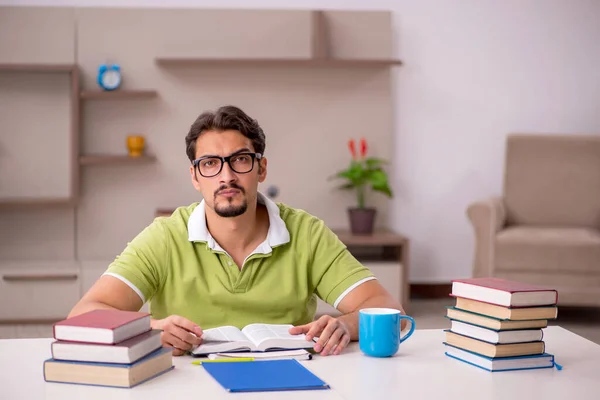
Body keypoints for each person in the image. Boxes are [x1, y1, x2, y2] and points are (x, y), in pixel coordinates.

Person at [69, 105, 406, 357]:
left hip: (292, 382)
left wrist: (344, 324)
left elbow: (389, 310)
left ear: (261, 168)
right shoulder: (164, 237)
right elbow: (83, 315)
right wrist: (151, 328)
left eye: (240, 160)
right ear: (195, 177)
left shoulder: (306, 233)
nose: (226, 176)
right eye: (210, 163)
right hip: (186, 383)